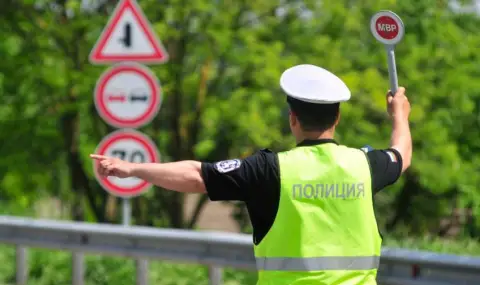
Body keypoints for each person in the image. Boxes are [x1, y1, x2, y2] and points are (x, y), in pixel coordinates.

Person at [91, 64, 412, 285]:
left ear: (292, 118)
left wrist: (131, 168)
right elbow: (401, 154)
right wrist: (399, 115)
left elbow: (195, 174)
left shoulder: (270, 169)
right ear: (337, 117)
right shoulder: (364, 165)